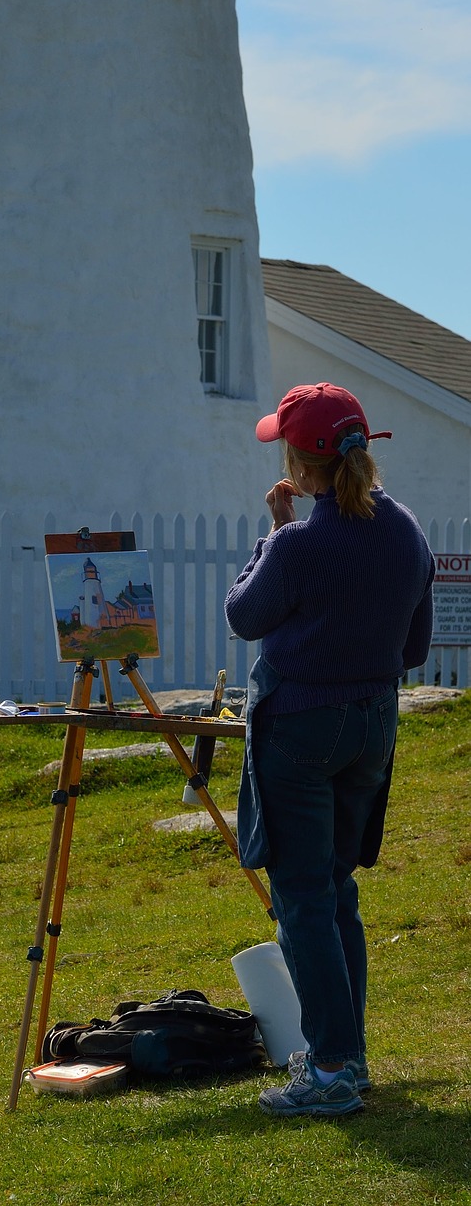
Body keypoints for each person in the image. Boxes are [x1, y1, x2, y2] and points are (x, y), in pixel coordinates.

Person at [225, 382, 434, 1118]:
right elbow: (412, 645)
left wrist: (270, 535)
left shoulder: (297, 543)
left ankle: (334, 1066)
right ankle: (350, 1054)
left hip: (299, 727)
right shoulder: (403, 528)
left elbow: (244, 616)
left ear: (299, 464)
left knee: (302, 899)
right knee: (335, 889)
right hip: (373, 722)